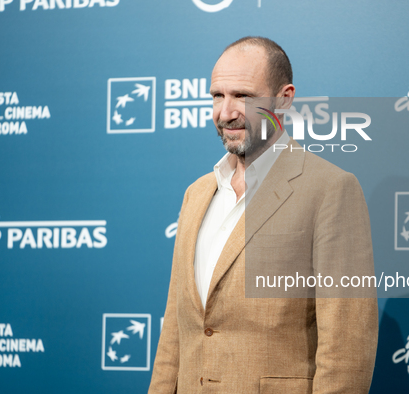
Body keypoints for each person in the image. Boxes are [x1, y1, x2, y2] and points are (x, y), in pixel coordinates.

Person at [148, 36, 378, 394]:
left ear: (284, 98)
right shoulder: (197, 194)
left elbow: (347, 349)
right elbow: (176, 333)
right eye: (217, 96)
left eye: (242, 96)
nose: (226, 112)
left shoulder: (330, 189)